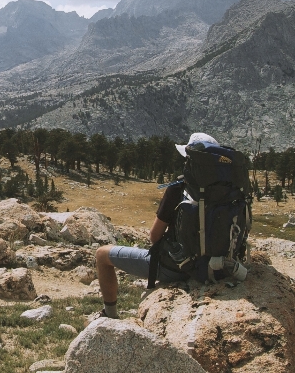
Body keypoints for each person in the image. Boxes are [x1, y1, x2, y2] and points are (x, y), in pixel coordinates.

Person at [92, 132, 219, 319]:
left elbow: (154, 237)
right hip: (220, 266)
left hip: (178, 268)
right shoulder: (229, 189)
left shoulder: (180, 187)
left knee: (102, 254)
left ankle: (109, 314)